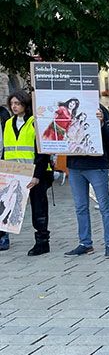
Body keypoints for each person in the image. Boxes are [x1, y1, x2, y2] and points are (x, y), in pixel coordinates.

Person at [0, 91, 54, 255]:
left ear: (25, 104)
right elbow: (6, 150)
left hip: (34, 172)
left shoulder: (34, 123)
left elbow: (41, 152)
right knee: (7, 206)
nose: (14, 106)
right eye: (12, 104)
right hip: (14, 173)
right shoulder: (8, 123)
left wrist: (37, 175)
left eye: (17, 103)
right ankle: (4, 237)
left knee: (38, 207)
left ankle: (42, 241)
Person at [64, 105, 109, 257]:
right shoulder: (67, 109)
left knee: (104, 206)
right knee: (80, 207)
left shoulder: (97, 107)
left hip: (96, 164)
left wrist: (101, 123)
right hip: (75, 165)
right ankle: (85, 243)